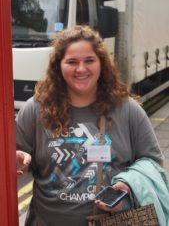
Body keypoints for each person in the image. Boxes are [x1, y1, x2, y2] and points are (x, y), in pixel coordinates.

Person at [16, 25, 164, 226]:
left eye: (89, 60)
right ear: (58, 65)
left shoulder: (127, 109)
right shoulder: (35, 109)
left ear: (102, 64)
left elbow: (154, 162)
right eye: (72, 62)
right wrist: (18, 159)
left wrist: (128, 185)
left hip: (114, 222)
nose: (81, 69)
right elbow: (15, 157)